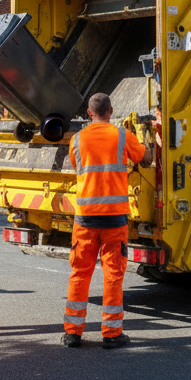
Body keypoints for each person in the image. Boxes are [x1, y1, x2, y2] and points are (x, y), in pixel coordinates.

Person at [62, 92, 155, 349]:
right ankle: (112, 334)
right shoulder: (123, 136)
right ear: (111, 111)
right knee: (113, 275)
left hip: (85, 219)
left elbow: (76, 165)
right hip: (114, 219)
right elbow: (144, 159)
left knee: (80, 273)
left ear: (89, 113)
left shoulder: (78, 139)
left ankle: (73, 333)